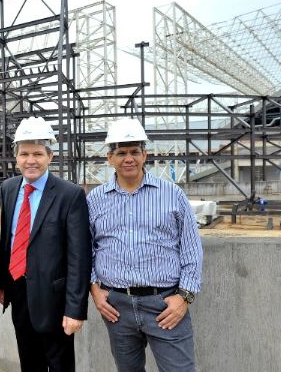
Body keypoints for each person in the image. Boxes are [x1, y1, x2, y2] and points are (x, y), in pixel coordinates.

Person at [87, 118, 203, 372]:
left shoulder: (172, 194)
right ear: (110, 158)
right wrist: (95, 291)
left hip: (164, 304)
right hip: (117, 306)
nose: (128, 158)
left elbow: (192, 249)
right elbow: (86, 249)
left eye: (134, 152)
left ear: (145, 155)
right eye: (121, 153)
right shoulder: (95, 199)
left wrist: (184, 298)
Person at [0, 117, 92, 371]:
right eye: (24, 153)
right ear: (16, 157)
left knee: (59, 365)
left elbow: (79, 257)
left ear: (50, 156)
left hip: (55, 301)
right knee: (29, 363)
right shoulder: (8, 188)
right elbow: (9, 239)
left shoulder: (69, 195)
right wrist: (3, 283)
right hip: (18, 292)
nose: (31, 160)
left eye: (38, 153)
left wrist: (75, 309)